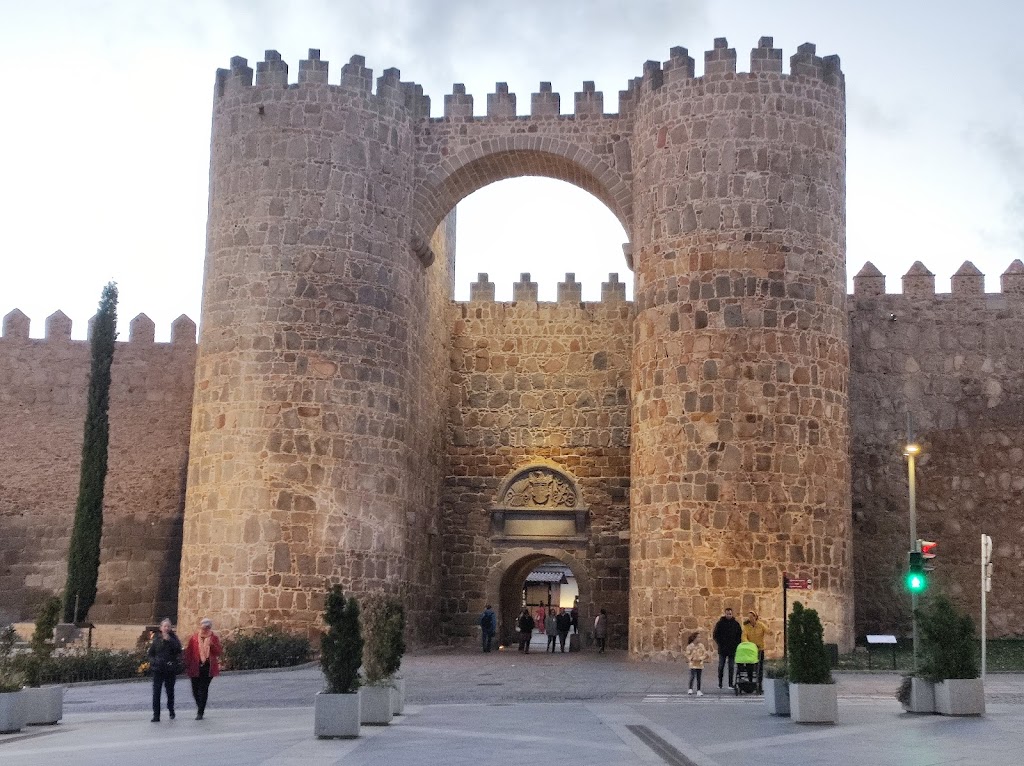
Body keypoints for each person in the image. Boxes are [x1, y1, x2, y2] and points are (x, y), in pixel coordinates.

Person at [184, 617, 222, 720]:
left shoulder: (214, 638)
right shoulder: (194, 638)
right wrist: (186, 665)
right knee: (195, 690)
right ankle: (200, 706)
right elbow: (189, 652)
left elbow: (218, 651)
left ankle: (200, 712)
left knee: (203, 689)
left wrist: (212, 646)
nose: (205, 629)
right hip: (195, 666)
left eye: (207, 627)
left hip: (208, 667)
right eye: (204, 627)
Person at [147, 617, 182, 722]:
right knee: (156, 692)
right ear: (161, 628)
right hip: (158, 669)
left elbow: (178, 650)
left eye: (168, 626)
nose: (166, 628)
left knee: (170, 691)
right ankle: (156, 715)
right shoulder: (156, 639)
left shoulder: (174, 638)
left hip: (170, 669)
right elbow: (151, 653)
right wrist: (153, 661)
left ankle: (171, 710)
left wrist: (170, 640)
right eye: (164, 626)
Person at [712, 607, 742, 688]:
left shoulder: (736, 624)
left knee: (731, 667)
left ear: (732, 614)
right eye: (727, 614)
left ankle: (730, 683)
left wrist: (736, 644)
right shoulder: (720, 624)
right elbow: (715, 635)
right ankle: (720, 683)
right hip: (722, 649)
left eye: (730, 614)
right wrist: (720, 643)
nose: (729, 615)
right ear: (725, 614)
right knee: (721, 666)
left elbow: (739, 636)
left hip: (732, 649)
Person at [742, 610, 767, 691]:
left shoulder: (760, 625)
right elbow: (744, 637)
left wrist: (770, 632)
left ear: (755, 617)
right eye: (749, 617)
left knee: (759, 668)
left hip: (760, 649)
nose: (750, 618)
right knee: (749, 666)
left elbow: (767, 630)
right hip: (751, 649)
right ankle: (750, 682)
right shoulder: (746, 626)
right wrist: (748, 643)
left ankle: (759, 684)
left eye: (752, 617)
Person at [684, 631, 710, 696]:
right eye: (698, 637)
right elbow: (687, 654)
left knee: (699, 677)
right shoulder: (690, 646)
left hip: (700, 664)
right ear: (694, 638)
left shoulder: (701, 646)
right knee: (692, 676)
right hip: (692, 664)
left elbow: (705, 654)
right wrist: (691, 658)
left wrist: (701, 658)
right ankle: (690, 688)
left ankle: (699, 690)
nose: (699, 638)